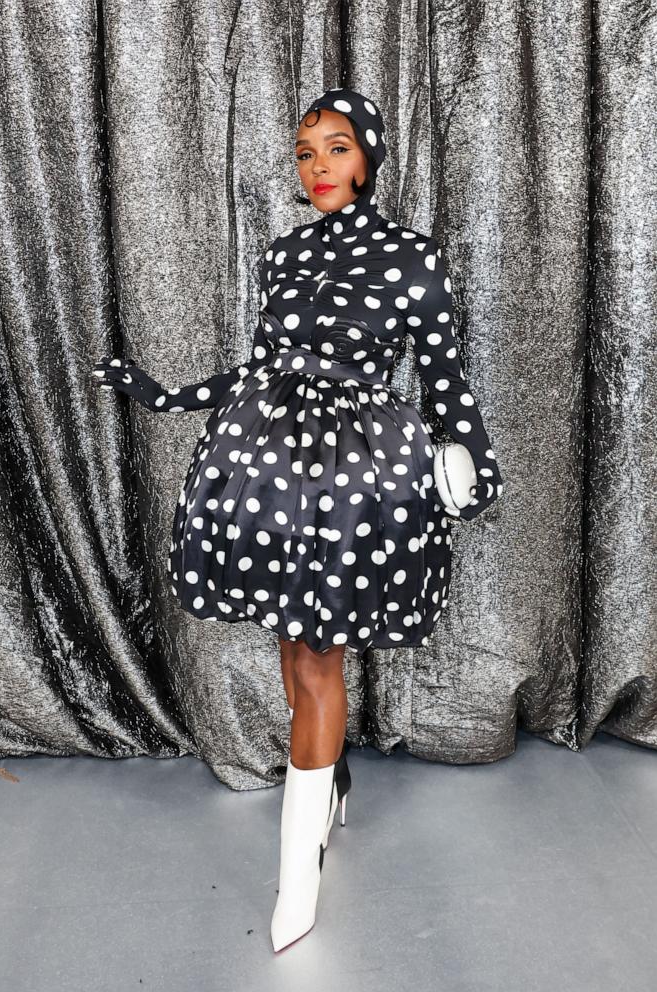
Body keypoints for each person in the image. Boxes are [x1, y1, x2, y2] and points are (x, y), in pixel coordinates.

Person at [91, 86, 504, 952]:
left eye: (337, 148)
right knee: (291, 642)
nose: (319, 167)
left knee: (318, 650)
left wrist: (476, 465)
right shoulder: (284, 254)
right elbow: (258, 367)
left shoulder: (411, 257)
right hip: (267, 463)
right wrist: (164, 395)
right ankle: (333, 782)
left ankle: (296, 873)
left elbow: (442, 377)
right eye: (306, 152)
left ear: (369, 157)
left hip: (357, 474)